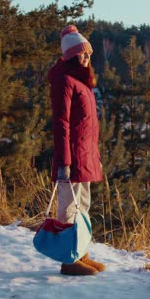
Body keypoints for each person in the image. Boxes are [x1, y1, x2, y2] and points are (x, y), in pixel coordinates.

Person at [48, 25, 106, 276]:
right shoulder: (64, 81)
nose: (87, 58)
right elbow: (61, 123)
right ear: (71, 55)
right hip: (70, 158)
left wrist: (97, 158)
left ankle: (81, 253)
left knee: (83, 207)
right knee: (69, 208)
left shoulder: (82, 83)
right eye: (83, 54)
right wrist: (63, 161)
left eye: (89, 54)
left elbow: (89, 128)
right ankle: (68, 260)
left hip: (85, 156)